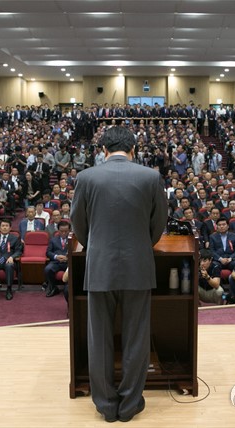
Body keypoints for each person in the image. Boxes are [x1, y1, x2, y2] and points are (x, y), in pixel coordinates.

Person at [71, 126, 167, 423]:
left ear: (103, 150)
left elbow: (78, 223)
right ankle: (129, 405)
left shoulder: (86, 177)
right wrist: (140, 245)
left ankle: (106, 405)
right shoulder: (151, 177)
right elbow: (158, 224)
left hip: (100, 265)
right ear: (134, 150)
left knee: (99, 338)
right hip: (138, 265)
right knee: (136, 337)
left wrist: (96, 245)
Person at [0, 220, 23, 301]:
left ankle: (9, 289)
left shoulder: (15, 239)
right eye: (3, 226)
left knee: (9, 266)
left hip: (8, 260)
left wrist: (12, 257)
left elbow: (19, 251)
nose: (5, 227)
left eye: (7, 226)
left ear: (10, 228)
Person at [43, 221, 71, 298]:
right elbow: (48, 252)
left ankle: (68, 288)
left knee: (73, 270)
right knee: (48, 269)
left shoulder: (72, 240)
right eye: (61, 231)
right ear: (58, 231)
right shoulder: (53, 240)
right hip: (56, 262)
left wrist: (68, 257)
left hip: (68, 262)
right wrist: (56, 256)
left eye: (66, 231)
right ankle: (53, 287)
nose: (64, 233)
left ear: (69, 230)